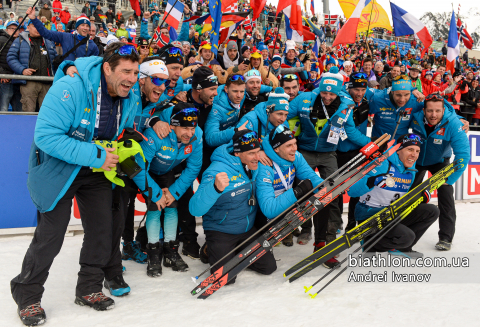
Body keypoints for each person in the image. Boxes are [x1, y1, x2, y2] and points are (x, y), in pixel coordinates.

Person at [11, 42, 140, 326]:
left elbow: (125, 124)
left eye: (135, 72)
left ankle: (89, 288)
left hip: (96, 170)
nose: (132, 78)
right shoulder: (69, 88)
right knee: (52, 235)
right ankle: (28, 295)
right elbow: (46, 136)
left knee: (102, 229)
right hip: (60, 167)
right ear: (107, 68)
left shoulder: (129, 94)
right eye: (126, 71)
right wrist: (96, 155)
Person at [287, 67, 370, 266]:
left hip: (328, 154)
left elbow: (350, 132)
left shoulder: (346, 106)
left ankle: (327, 243)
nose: (327, 97)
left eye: (332, 94)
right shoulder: (304, 99)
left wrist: (371, 144)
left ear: (339, 91)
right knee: (303, 193)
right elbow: (283, 116)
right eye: (324, 92)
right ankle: (305, 229)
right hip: (304, 152)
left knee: (332, 194)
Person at [189, 130, 277, 283]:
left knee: (268, 267)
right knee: (227, 279)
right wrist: (215, 188)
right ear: (237, 153)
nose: (257, 157)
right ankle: (209, 250)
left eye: (258, 151)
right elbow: (194, 209)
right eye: (251, 153)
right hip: (221, 230)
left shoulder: (254, 164)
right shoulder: (216, 170)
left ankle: (234, 252)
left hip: (247, 229)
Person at [132, 103, 203, 276]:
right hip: (148, 172)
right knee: (155, 207)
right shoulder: (156, 134)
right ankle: (154, 254)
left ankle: (171, 251)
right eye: (185, 128)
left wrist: (173, 192)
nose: (190, 133)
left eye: (192, 127)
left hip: (168, 172)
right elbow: (139, 167)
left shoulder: (197, 135)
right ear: (172, 125)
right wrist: (156, 194)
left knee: (172, 206)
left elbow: (194, 167)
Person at [348, 133, 441, 258]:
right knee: (407, 237)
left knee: (431, 211)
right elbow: (351, 191)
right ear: (398, 150)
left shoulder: (411, 170)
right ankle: (369, 244)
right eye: (410, 149)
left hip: (391, 212)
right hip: (370, 214)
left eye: (417, 151)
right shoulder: (382, 163)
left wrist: (420, 197)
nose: (414, 155)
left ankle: (402, 248)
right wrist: (371, 181)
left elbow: (401, 198)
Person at [409, 93, 470, 251]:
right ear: (424, 110)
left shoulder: (454, 123)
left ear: (444, 110)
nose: (433, 115)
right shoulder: (415, 115)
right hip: (416, 160)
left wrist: (449, 180)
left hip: (440, 161)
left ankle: (445, 237)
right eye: (429, 111)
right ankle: (406, 231)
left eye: (437, 111)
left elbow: (463, 156)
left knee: (445, 194)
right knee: (409, 195)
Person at [256, 125, 323, 228]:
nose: (294, 149)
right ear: (277, 148)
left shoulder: (295, 156)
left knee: (319, 196)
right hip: (264, 216)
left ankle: (321, 239)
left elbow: (310, 176)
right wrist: (298, 191)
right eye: (289, 146)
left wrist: (324, 185)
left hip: (285, 205)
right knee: (304, 188)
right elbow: (268, 209)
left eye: (295, 143)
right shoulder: (265, 164)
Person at [337, 72, 372, 232]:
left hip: (358, 153)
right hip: (339, 152)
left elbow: (387, 92)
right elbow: (350, 132)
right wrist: (370, 144)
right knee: (336, 191)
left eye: (362, 90)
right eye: (356, 89)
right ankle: (337, 223)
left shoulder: (367, 97)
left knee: (356, 191)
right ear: (349, 87)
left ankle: (352, 225)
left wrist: (414, 90)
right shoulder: (341, 99)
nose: (359, 93)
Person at [7, 20, 57, 112]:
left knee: (45, 113)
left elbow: (55, 60)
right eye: (34, 26)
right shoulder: (20, 40)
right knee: (28, 111)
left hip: (47, 82)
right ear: (28, 27)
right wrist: (22, 70)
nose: (37, 28)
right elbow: (11, 58)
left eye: (39, 26)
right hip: (29, 82)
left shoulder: (49, 41)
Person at [26, 7, 98, 62]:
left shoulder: (93, 46)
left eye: (87, 26)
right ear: (77, 27)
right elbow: (46, 33)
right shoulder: (65, 37)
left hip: (82, 79)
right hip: (66, 77)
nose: (85, 28)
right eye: (82, 25)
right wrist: (33, 18)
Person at [0, 20, 22, 112]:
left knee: (18, 108)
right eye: (12, 28)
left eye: (17, 29)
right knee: (4, 107)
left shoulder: (20, 42)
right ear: (7, 29)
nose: (15, 30)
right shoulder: (1, 39)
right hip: (5, 79)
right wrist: (1, 73)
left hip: (16, 80)